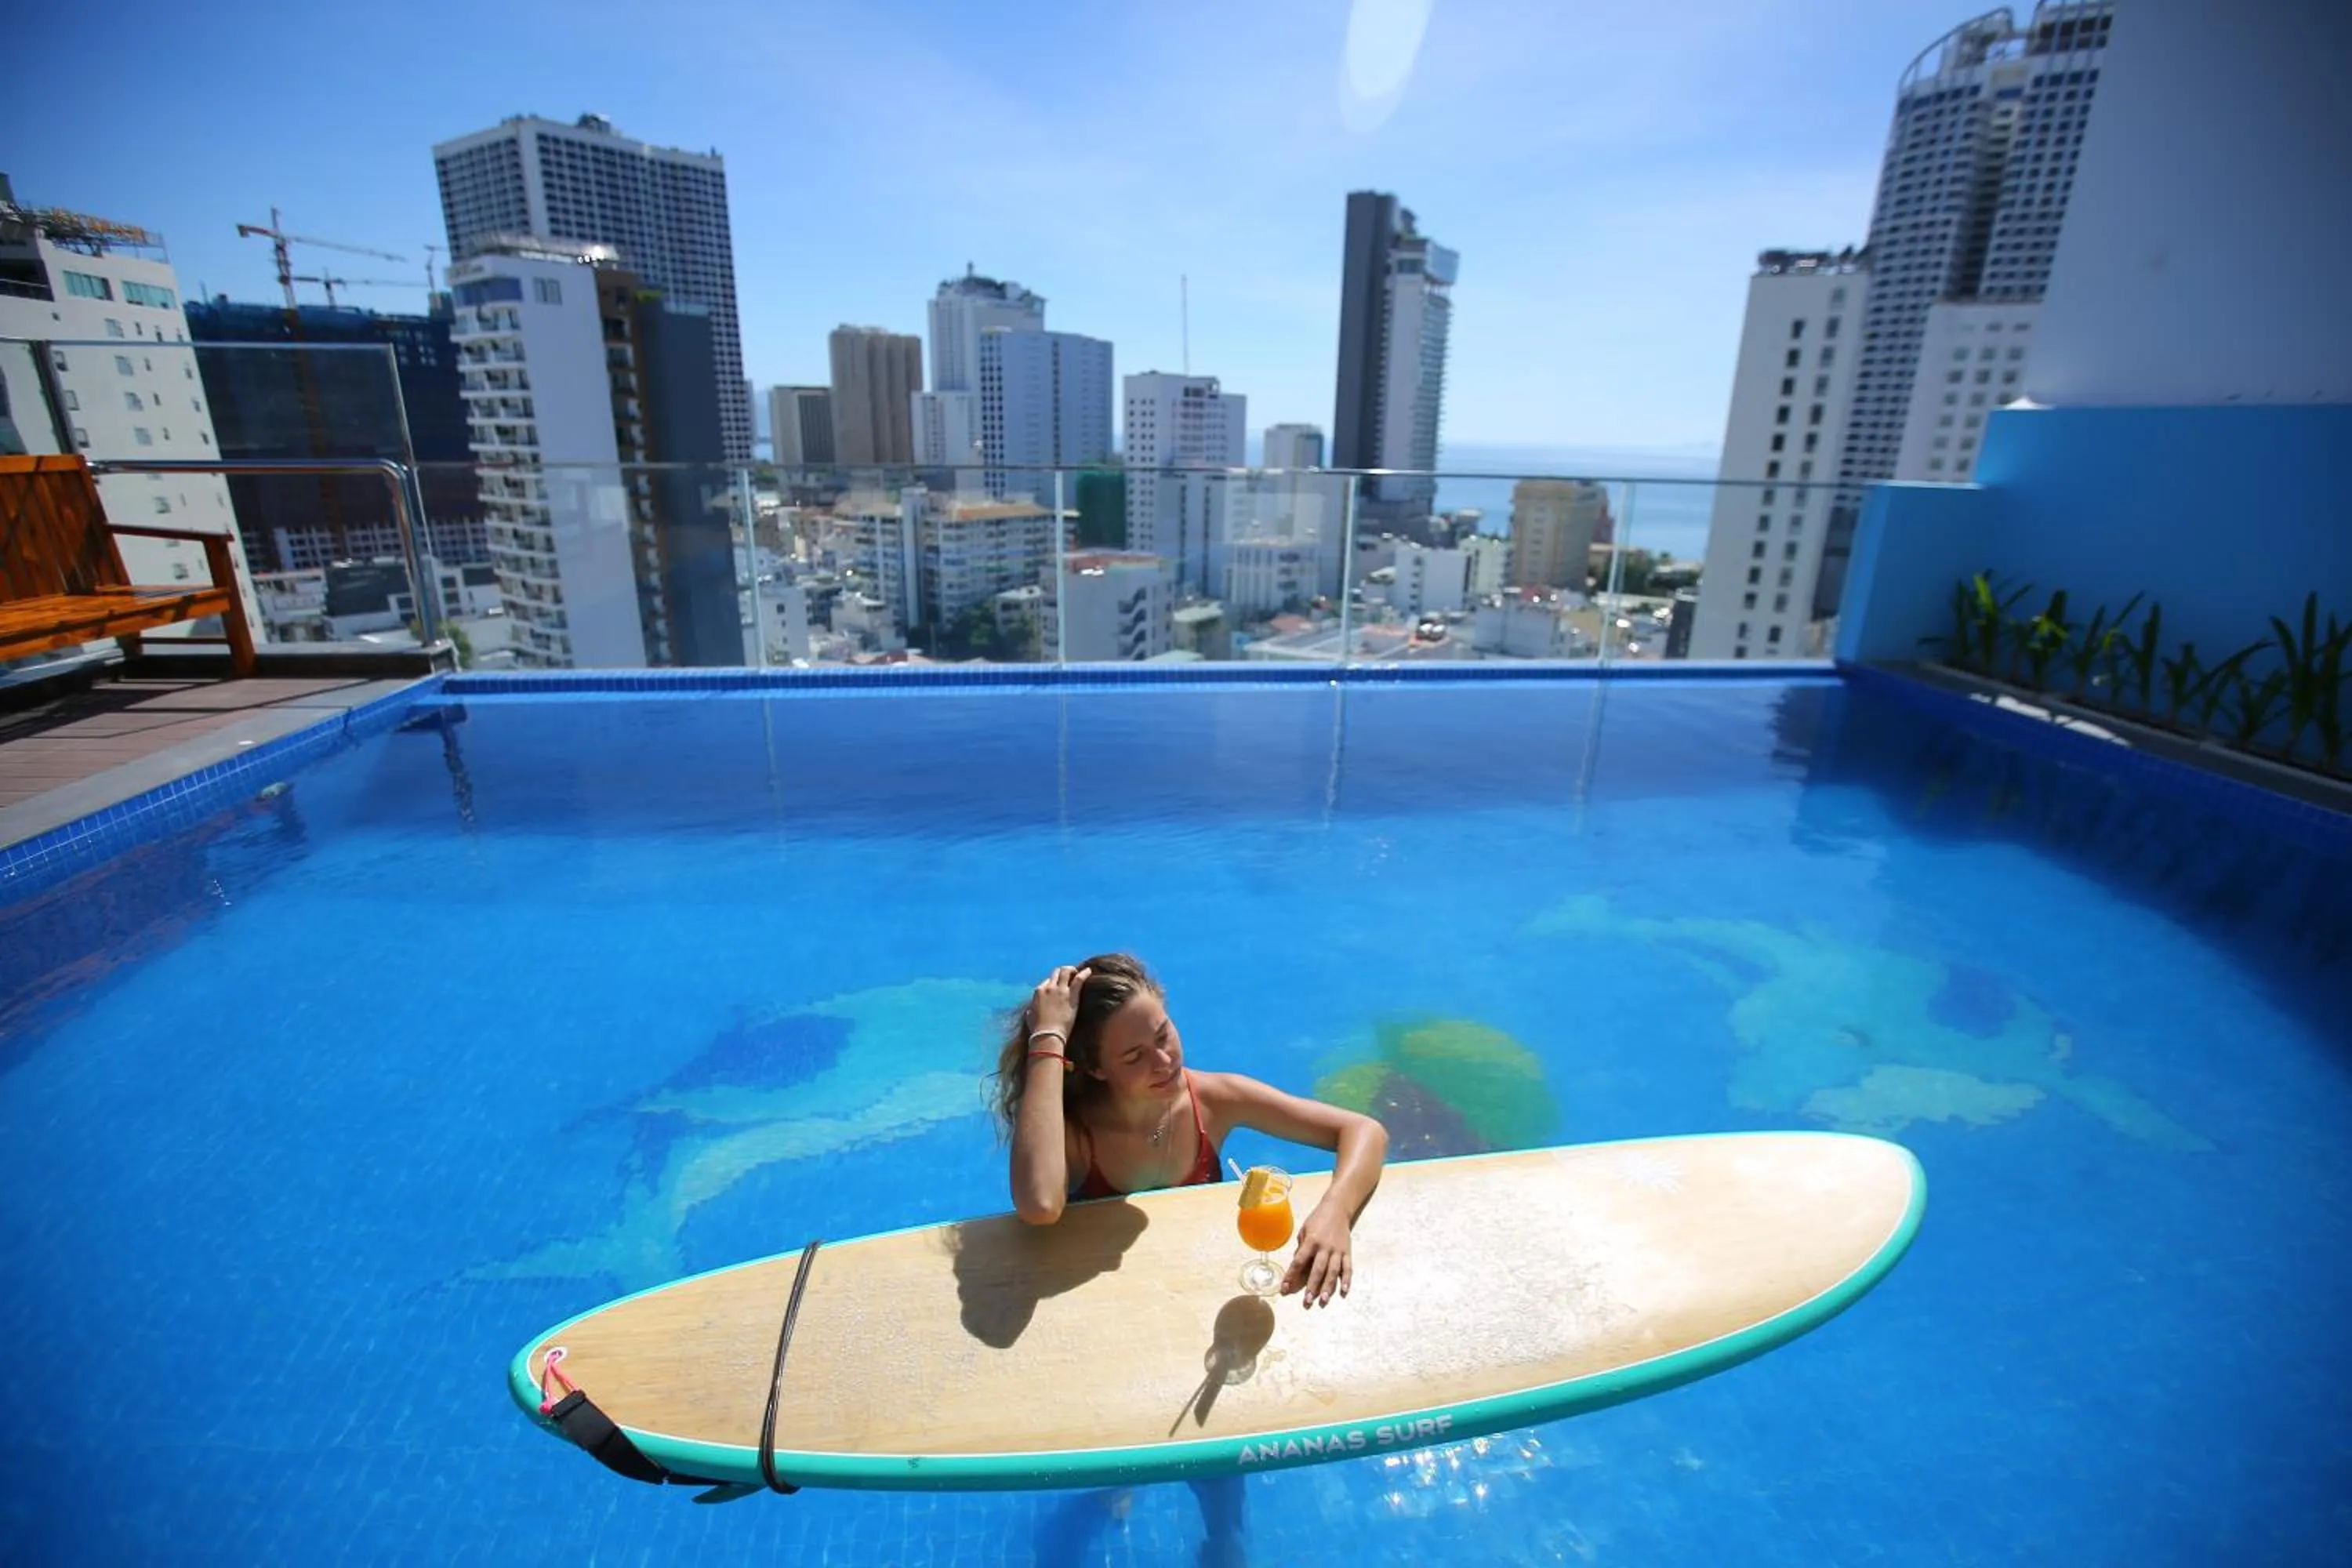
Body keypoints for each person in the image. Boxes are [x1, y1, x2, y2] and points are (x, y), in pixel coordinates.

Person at [992, 953, 1388, 1308]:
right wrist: (1048, 1038)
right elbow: (1039, 1206)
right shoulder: (1078, 1132)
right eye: (1134, 1057)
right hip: (1103, 1307)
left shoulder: (1215, 1100)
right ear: (1096, 1069)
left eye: (1163, 1034)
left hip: (1196, 1298)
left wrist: (1335, 1211)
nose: (1164, 1061)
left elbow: (1364, 1130)